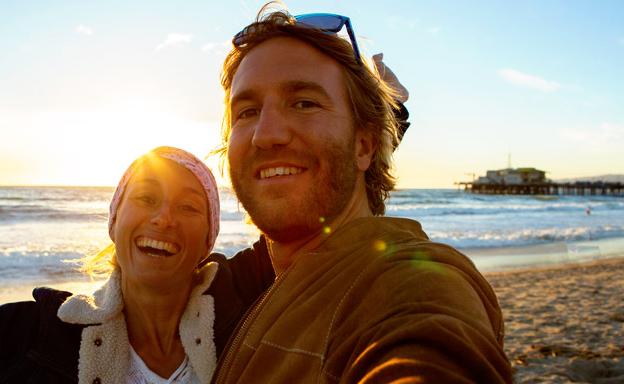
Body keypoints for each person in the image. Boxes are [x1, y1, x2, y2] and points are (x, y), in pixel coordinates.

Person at [211, 5, 512, 383]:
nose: (266, 133)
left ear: (365, 145)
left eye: (304, 103)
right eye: (247, 111)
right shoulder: (251, 279)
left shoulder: (408, 283)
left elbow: (431, 338)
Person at [0, 146, 266, 384]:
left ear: (207, 240)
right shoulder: (43, 336)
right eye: (146, 198)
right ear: (115, 222)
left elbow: (311, 221)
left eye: (188, 206)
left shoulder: (245, 303)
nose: (163, 218)